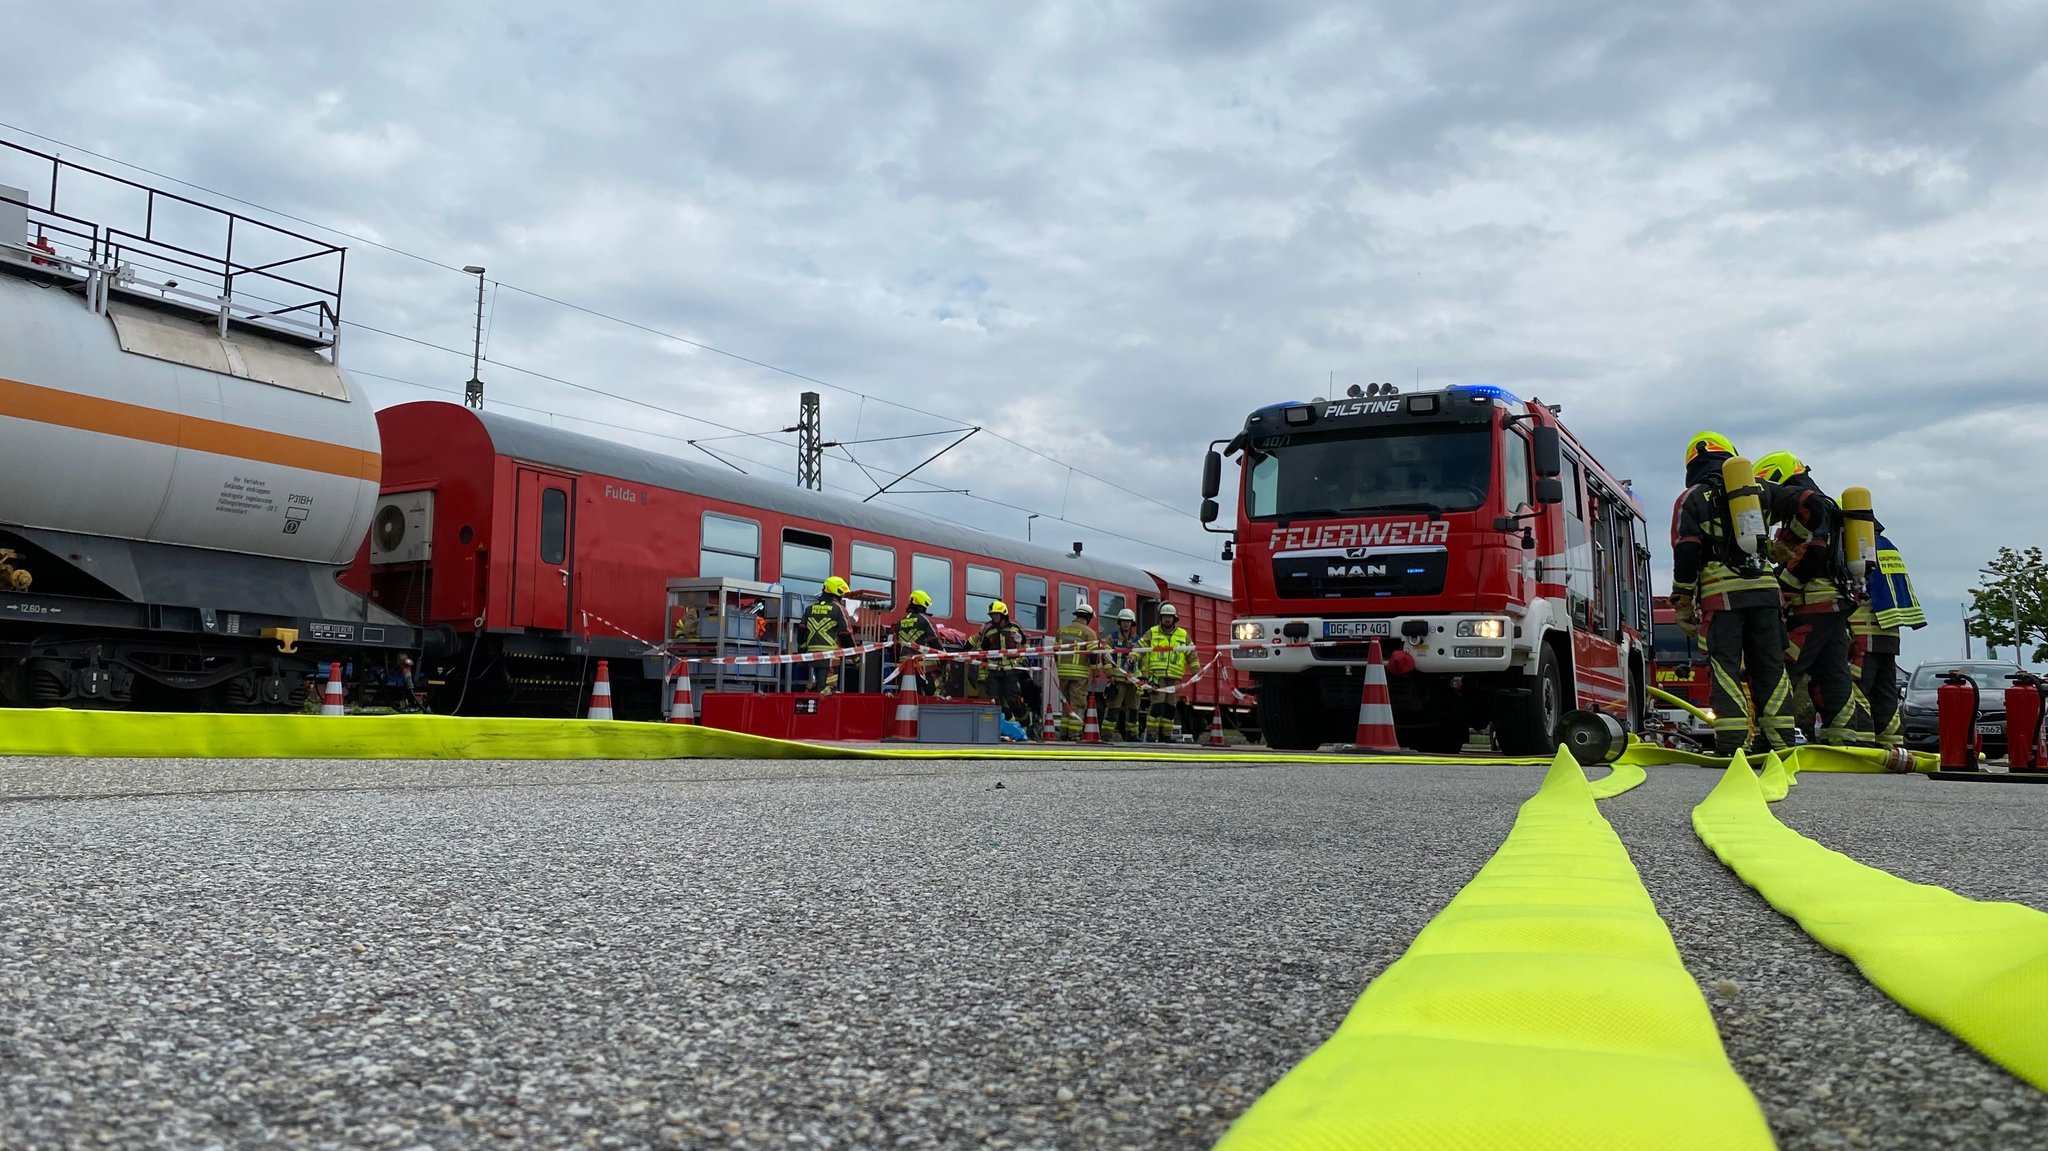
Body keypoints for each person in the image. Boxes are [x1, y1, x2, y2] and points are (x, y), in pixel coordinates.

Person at [1669, 433, 1795, 755]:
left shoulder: (1693, 497)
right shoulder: (1761, 491)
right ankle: (1778, 743)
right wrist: (1790, 543)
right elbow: (1814, 506)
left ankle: (1732, 743)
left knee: (1725, 668)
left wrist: (1683, 601)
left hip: (1723, 599)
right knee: (1770, 666)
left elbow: (1686, 550)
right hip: (1767, 596)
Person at [1754, 453, 1874, 746]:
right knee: (1831, 671)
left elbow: (1813, 552)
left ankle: (1772, 736)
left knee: (1781, 665)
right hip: (1835, 606)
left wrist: (1782, 590)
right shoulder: (1831, 507)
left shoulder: (1812, 508)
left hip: (1811, 607)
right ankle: (1848, 738)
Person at [1855, 526, 1927, 749]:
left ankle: (1862, 740)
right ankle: (1891, 741)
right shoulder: (1887, 545)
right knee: (1885, 690)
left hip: (1862, 632)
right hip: (1890, 631)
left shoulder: (1855, 545)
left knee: (1857, 688)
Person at [1137, 604, 1194, 742]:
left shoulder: (1183, 635)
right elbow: (1140, 647)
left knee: (1170, 708)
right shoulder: (1152, 632)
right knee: (1157, 706)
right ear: (1161, 618)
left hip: (1174, 678)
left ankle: (1166, 735)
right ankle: (1151, 734)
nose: (1167, 619)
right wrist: (1134, 656)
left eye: (1169, 617)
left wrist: (1196, 669)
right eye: (1164, 617)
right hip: (1157, 677)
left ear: (1174, 619)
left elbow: (1191, 654)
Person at [972, 601, 1030, 730]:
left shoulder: (1015, 628)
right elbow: (983, 650)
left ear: (1003, 614)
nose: (994, 617)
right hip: (994, 670)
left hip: (1011, 670)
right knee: (994, 699)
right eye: (992, 615)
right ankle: (1005, 725)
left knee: (1012, 698)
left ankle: (1026, 725)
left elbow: (1025, 646)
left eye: (997, 615)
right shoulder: (989, 630)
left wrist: (1023, 660)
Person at [1053, 601, 1103, 740]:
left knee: (1066, 703)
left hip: (1063, 672)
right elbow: (1093, 655)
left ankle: (1063, 732)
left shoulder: (1061, 630)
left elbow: (1055, 652)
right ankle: (1074, 734)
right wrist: (1096, 671)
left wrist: (1060, 667)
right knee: (1078, 704)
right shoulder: (1089, 633)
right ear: (1088, 618)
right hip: (1079, 673)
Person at [802, 576, 856, 694]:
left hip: (812, 654)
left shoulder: (809, 609)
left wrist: (802, 654)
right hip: (830, 655)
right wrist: (855, 656)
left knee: (820, 682)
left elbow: (802, 633)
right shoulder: (838, 609)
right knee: (829, 687)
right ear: (838, 592)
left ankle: (814, 689)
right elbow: (845, 634)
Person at [895, 588, 943, 695]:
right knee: (933, 698)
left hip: (905, 669)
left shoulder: (899, 623)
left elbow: (896, 647)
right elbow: (935, 642)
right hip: (924, 669)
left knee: (906, 698)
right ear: (922, 604)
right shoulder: (925, 620)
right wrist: (945, 658)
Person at [1104, 608, 1142, 741]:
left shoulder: (1138, 640)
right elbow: (1106, 657)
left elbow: (1143, 659)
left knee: (1133, 709)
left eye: (1128, 621)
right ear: (1119, 622)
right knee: (1113, 708)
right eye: (1124, 621)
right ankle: (1107, 735)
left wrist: (1142, 678)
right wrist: (1110, 675)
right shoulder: (1111, 638)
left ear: (1132, 623)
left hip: (1133, 681)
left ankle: (1132, 735)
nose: (1126, 624)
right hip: (1118, 679)